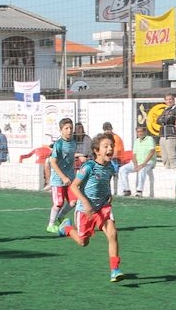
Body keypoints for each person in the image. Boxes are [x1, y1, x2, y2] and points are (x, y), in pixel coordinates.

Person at [55, 134, 126, 283]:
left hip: (102, 207)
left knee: (112, 234)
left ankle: (115, 270)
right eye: (106, 146)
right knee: (83, 242)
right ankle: (66, 228)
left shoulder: (110, 167)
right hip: (84, 210)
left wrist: (109, 194)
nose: (110, 148)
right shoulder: (88, 167)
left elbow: (105, 183)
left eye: (111, 146)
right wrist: (85, 203)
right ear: (96, 150)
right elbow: (74, 186)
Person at [46, 118, 78, 232]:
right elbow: (53, 162)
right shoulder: (58, 144)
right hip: (58, 179)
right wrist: (63, 177)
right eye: (66, 128)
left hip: (70, 177)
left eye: (71, 128)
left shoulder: (74, 142)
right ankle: (50, 225)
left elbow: (70, 155)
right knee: (58, 203)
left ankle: (60, 216)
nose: (69, 131)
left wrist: (79, 156)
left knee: (74, 202)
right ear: (61, 130)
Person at [117, 125, 156, 197]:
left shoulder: (150, 139)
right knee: (122, 169)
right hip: (137, 163)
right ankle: (126, 190)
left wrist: (143, 164)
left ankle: (139, 191)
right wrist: (135, 165)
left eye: (141, 131)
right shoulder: (136, 141)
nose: (139, 133)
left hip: (148, 162)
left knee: (142, 169)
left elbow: (151, 152)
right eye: (138, 132)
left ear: (145, 132)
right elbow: (134, 155)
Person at [156, 93, 176, 169]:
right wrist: (164, 120)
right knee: (164, 157)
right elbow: (158, 120)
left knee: (172, 156)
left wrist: (164, 120)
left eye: (170, 99)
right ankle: (167, 171)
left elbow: (169, 119)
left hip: (171, 136)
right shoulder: (165, 110)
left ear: (174, 100)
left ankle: (175, 171)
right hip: (162, 135)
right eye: (167, 99)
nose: (169, 101)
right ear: (165, 101)